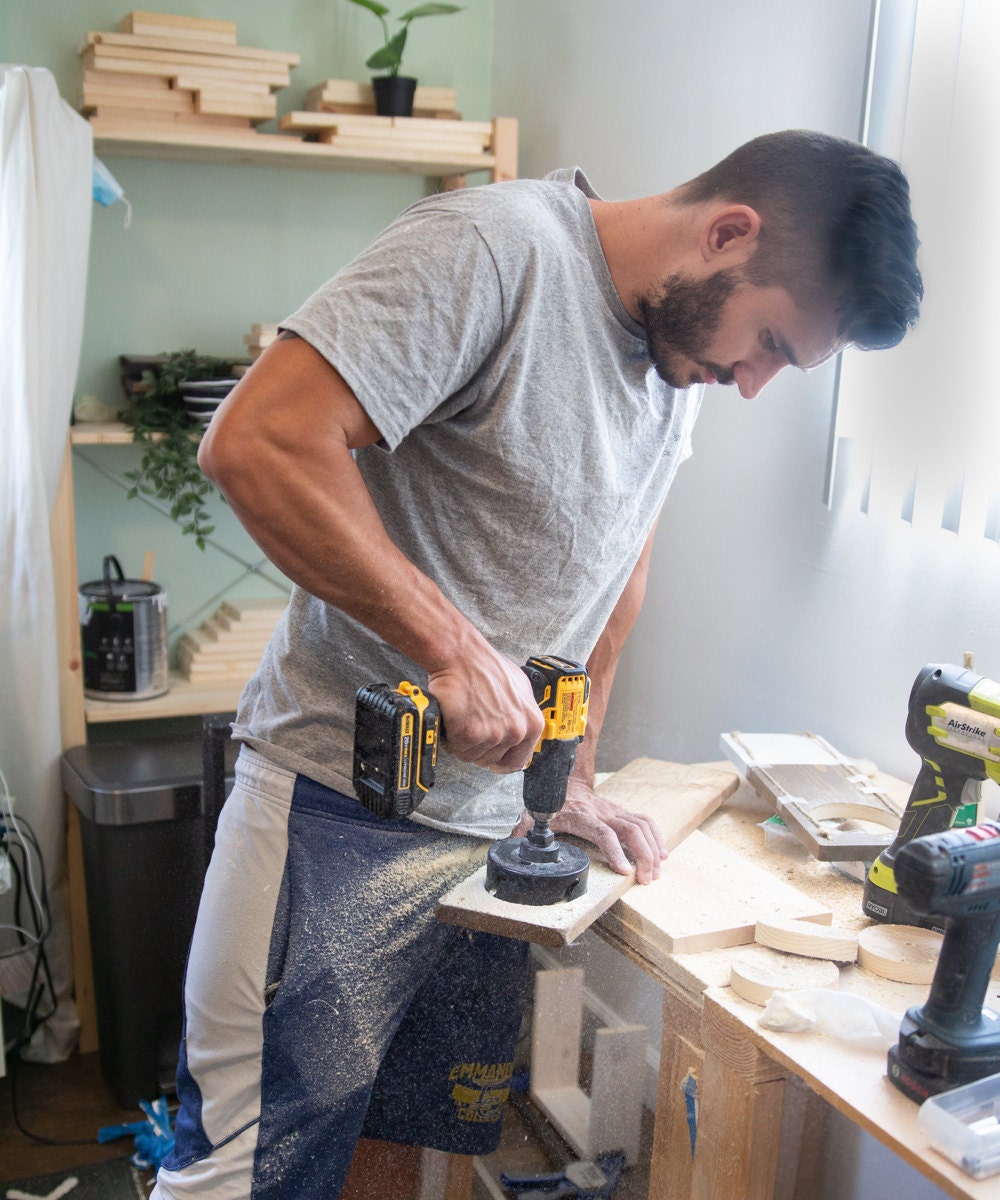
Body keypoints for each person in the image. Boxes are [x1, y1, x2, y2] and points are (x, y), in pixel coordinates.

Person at [152, 129, 922, 1200]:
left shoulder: (675, 361)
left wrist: (570, 778)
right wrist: (452, 648)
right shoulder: (493, 251)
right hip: (335, 809)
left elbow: (615, 582)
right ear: (728, 232)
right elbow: (257, 443)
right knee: (255, 1166)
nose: (752, 384)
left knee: (406, 1150)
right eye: (772, 346)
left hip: (496, 842)